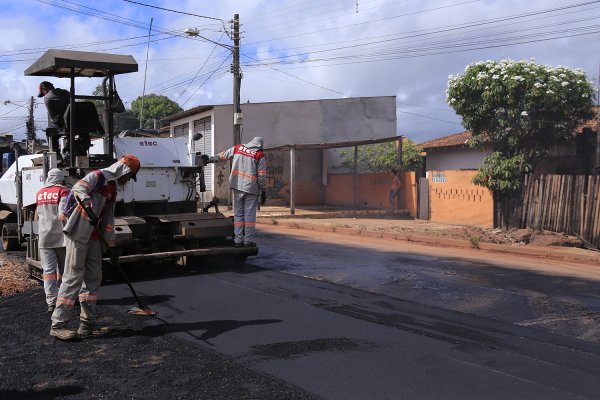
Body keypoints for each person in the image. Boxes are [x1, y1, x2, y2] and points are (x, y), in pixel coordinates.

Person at [49, 155, 140, 341]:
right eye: (130, 176)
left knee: (93, 280)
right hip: (79, 234)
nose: (129, 180)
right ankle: (58, 324)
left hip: (95, 239)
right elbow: (78, 188)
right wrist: (88, 205)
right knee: (73, 278)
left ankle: (87, 324)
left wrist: (111, 244)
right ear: (124, 170)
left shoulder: (112, 190)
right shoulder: (97, 177)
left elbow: (108, 220)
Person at [208, 137, 267, 248]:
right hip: (251, 188)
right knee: (249, 216)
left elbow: (222, 156)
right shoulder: (259, 155)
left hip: (237, 186)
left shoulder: (238, 148)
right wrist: (263, 191)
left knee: (238, 214)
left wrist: (209, 159)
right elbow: (262, 176)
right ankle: (248, 241)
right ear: (260, 146)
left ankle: (238, 241)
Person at [36, 168, 70, 314]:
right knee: (64, 271)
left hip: (44, 238)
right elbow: (64, 214)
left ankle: (51, 302)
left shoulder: (40, 193)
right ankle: (63, 301)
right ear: (61, 179)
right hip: (61, 238)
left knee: (48, 272)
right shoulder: (64, 191)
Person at [37, 81, 70, 156]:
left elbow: (54, 117)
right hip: (78, 120)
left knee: (50, 131)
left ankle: (56, 156)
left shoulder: (47, 97)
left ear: (44, 88)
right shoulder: (66, 92)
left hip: (65, 123)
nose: (44, 94)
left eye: (43, 93)